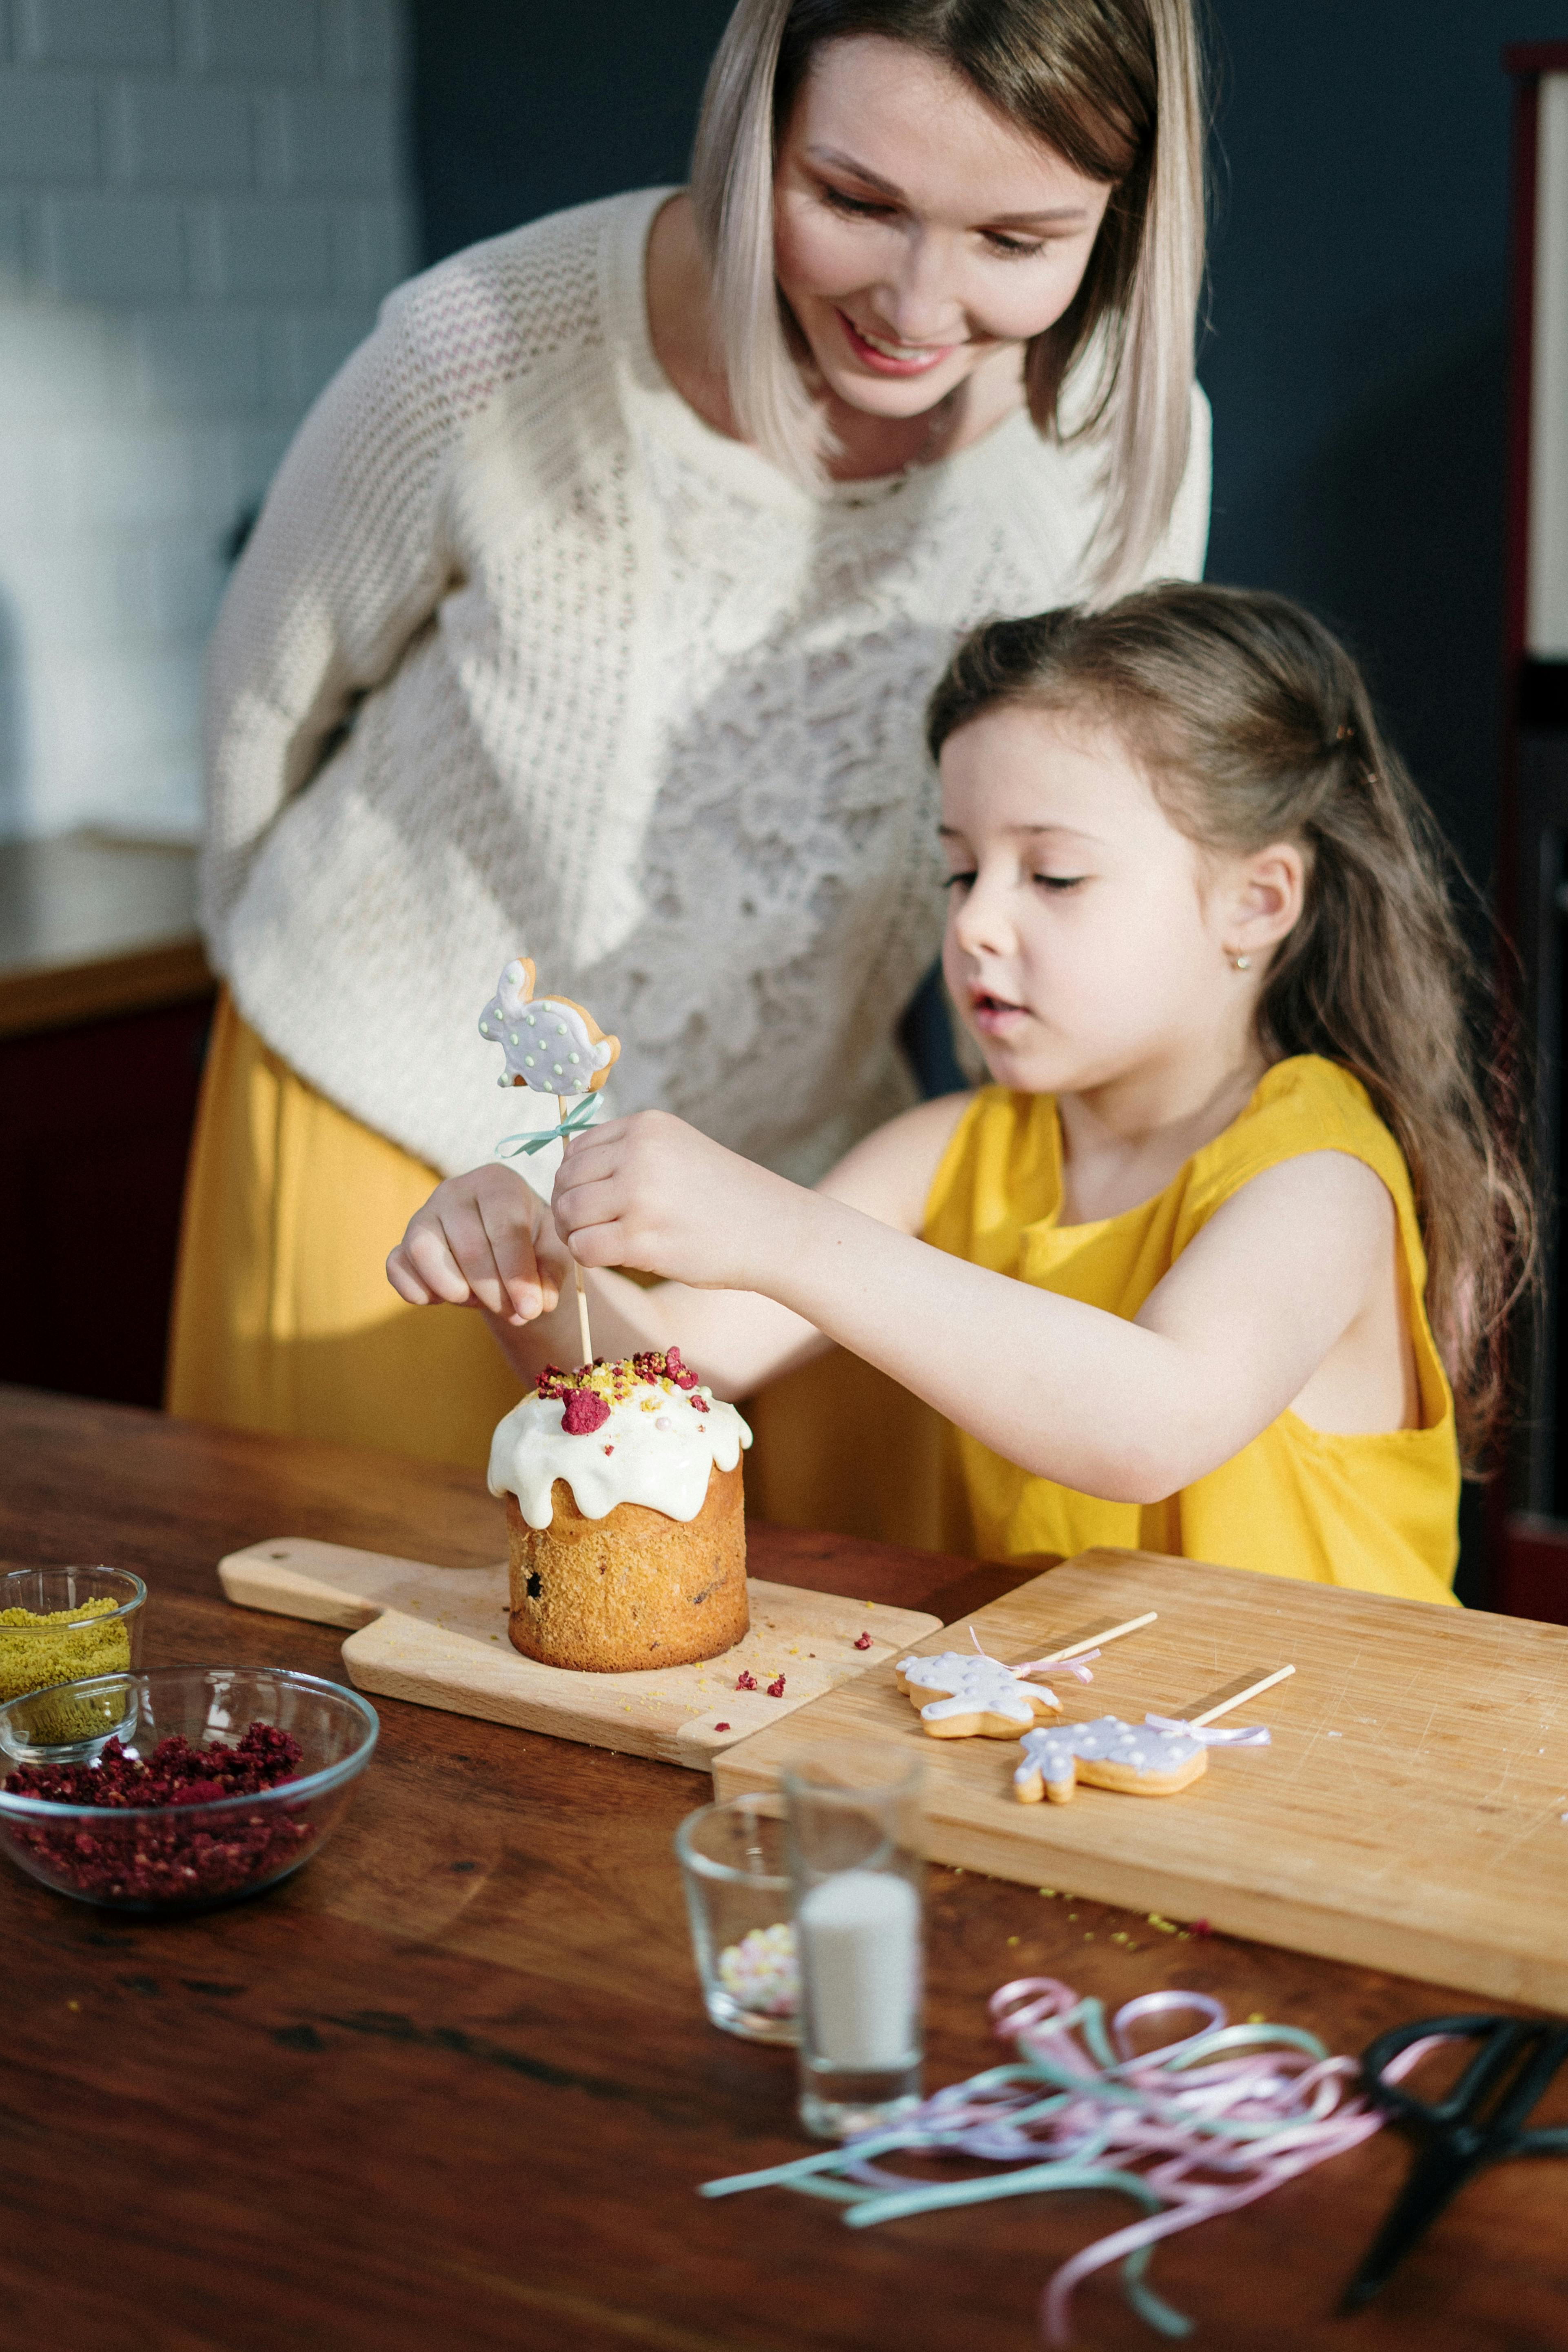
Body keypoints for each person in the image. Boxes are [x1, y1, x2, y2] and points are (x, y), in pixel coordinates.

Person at [169, 0, 1211, 1476]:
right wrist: (261, 954)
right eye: (854, 201)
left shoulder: (1122, 446)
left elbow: (1087, 841)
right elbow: (264, 694)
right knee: (370, 1653)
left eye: (1016, 243)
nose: (918, 306)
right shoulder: (488, 343)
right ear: (753, 125)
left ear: (1121, 219)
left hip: (804, 1199)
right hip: (394, 1139)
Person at [388, 584, 1535, 1603]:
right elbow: (674, 1370)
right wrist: (531, 1270)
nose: (977, 923)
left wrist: (779, 1226)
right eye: (959, 869)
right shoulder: (951, 1147)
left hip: (1327, 1781)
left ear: (1256, 901)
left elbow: (1150, 1421)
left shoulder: (1319, 1181)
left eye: (1053, 874)